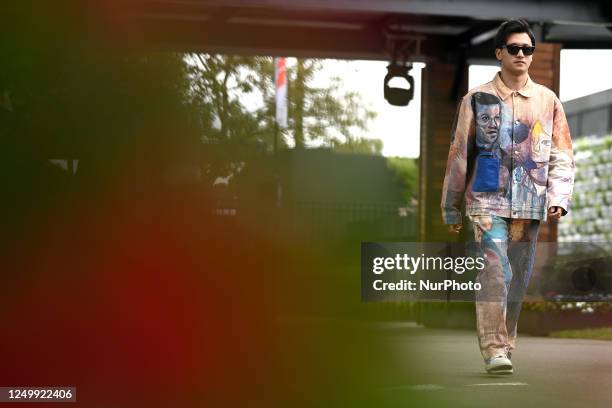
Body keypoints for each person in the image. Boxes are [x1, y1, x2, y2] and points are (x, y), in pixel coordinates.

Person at [440, 19, 575, 374]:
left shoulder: (548, 101)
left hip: (528, 205)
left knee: (516, 278)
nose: (521, 55)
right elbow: (458, 154)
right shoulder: (476, 99)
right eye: (513, 48)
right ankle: (494, 348)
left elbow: (562, 154)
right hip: (485, 204)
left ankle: (505, 345)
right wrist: (451, 207)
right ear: (499, 53)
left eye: (527, 49)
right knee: (494, 271)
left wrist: (558, 196)